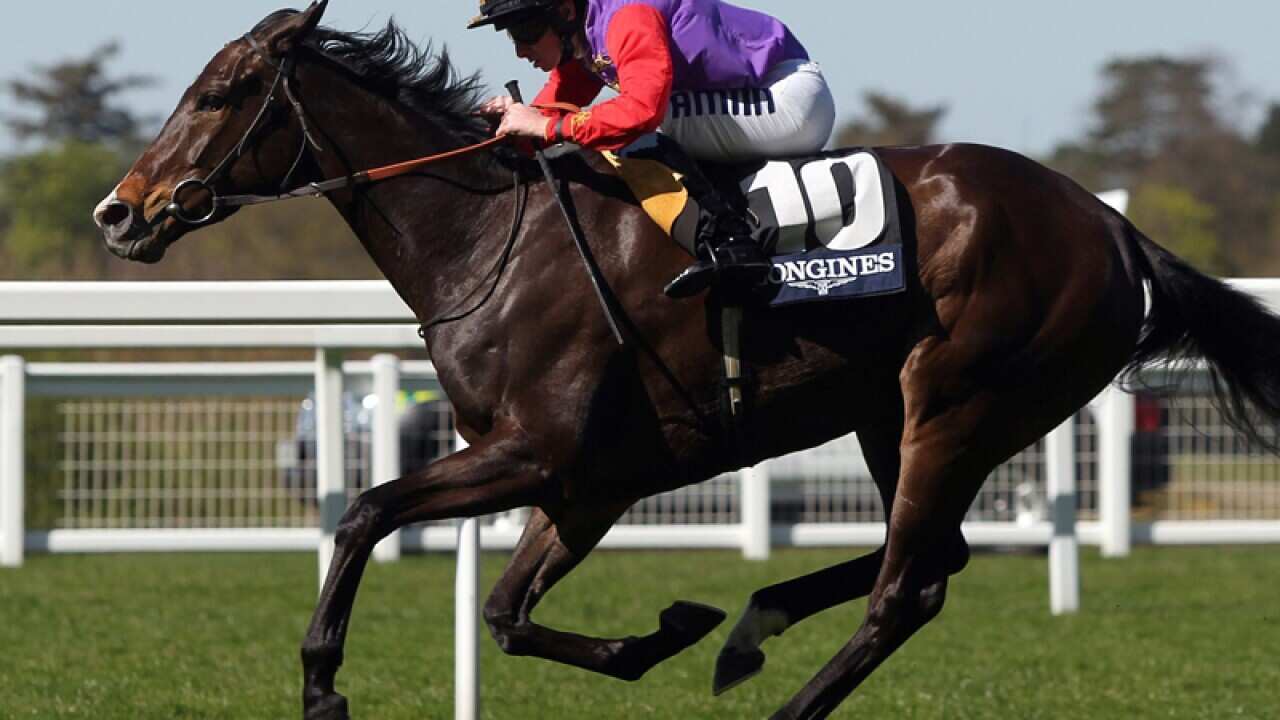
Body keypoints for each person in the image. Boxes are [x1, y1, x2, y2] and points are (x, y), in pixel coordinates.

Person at [469, 0, 836, 298]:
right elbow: (551, 111)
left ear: (564, 11)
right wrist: (509, 129)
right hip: (751, 100)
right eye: (512, 36)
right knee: (617, 125)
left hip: (788, 98)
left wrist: (547, 125)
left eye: (525, 32)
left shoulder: (627, 17)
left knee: (642, 124)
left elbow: (639, 111)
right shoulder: (589, 35)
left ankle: (732, 241)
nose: (520, 51)